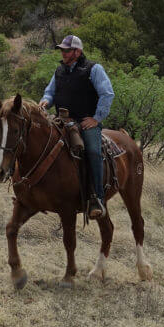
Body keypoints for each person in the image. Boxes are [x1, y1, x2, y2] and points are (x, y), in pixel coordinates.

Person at [39, 35, 114, 220]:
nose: (63, 53)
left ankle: (97, 198)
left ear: (77, 52)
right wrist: (45, 102)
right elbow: (50, 92)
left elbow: (107, 94)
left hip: (85, 123)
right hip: (62, 119)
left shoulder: (93, 69)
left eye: (66, 50)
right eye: (62, 50)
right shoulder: (59, 70)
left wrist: (96, 119)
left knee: (94, 152)